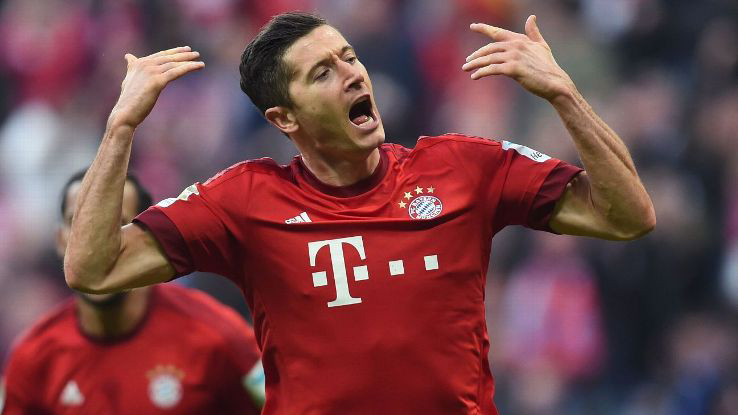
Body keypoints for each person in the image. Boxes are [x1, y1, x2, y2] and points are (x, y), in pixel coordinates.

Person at [63, 11, 655, 415]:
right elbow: (93, 268)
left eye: (348, 57)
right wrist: (121, 127)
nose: (351, 74)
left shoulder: (463, 168)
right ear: (284, 119)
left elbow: (627, 216)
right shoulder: (244, 201)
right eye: (322, 73)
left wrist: (564, 95)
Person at [1, 171, 265, 414]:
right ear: (60, 240)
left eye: (115, 223)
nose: (93, 245)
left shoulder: (219, 337)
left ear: (144, 240)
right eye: (78, 223)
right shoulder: (34, 358)